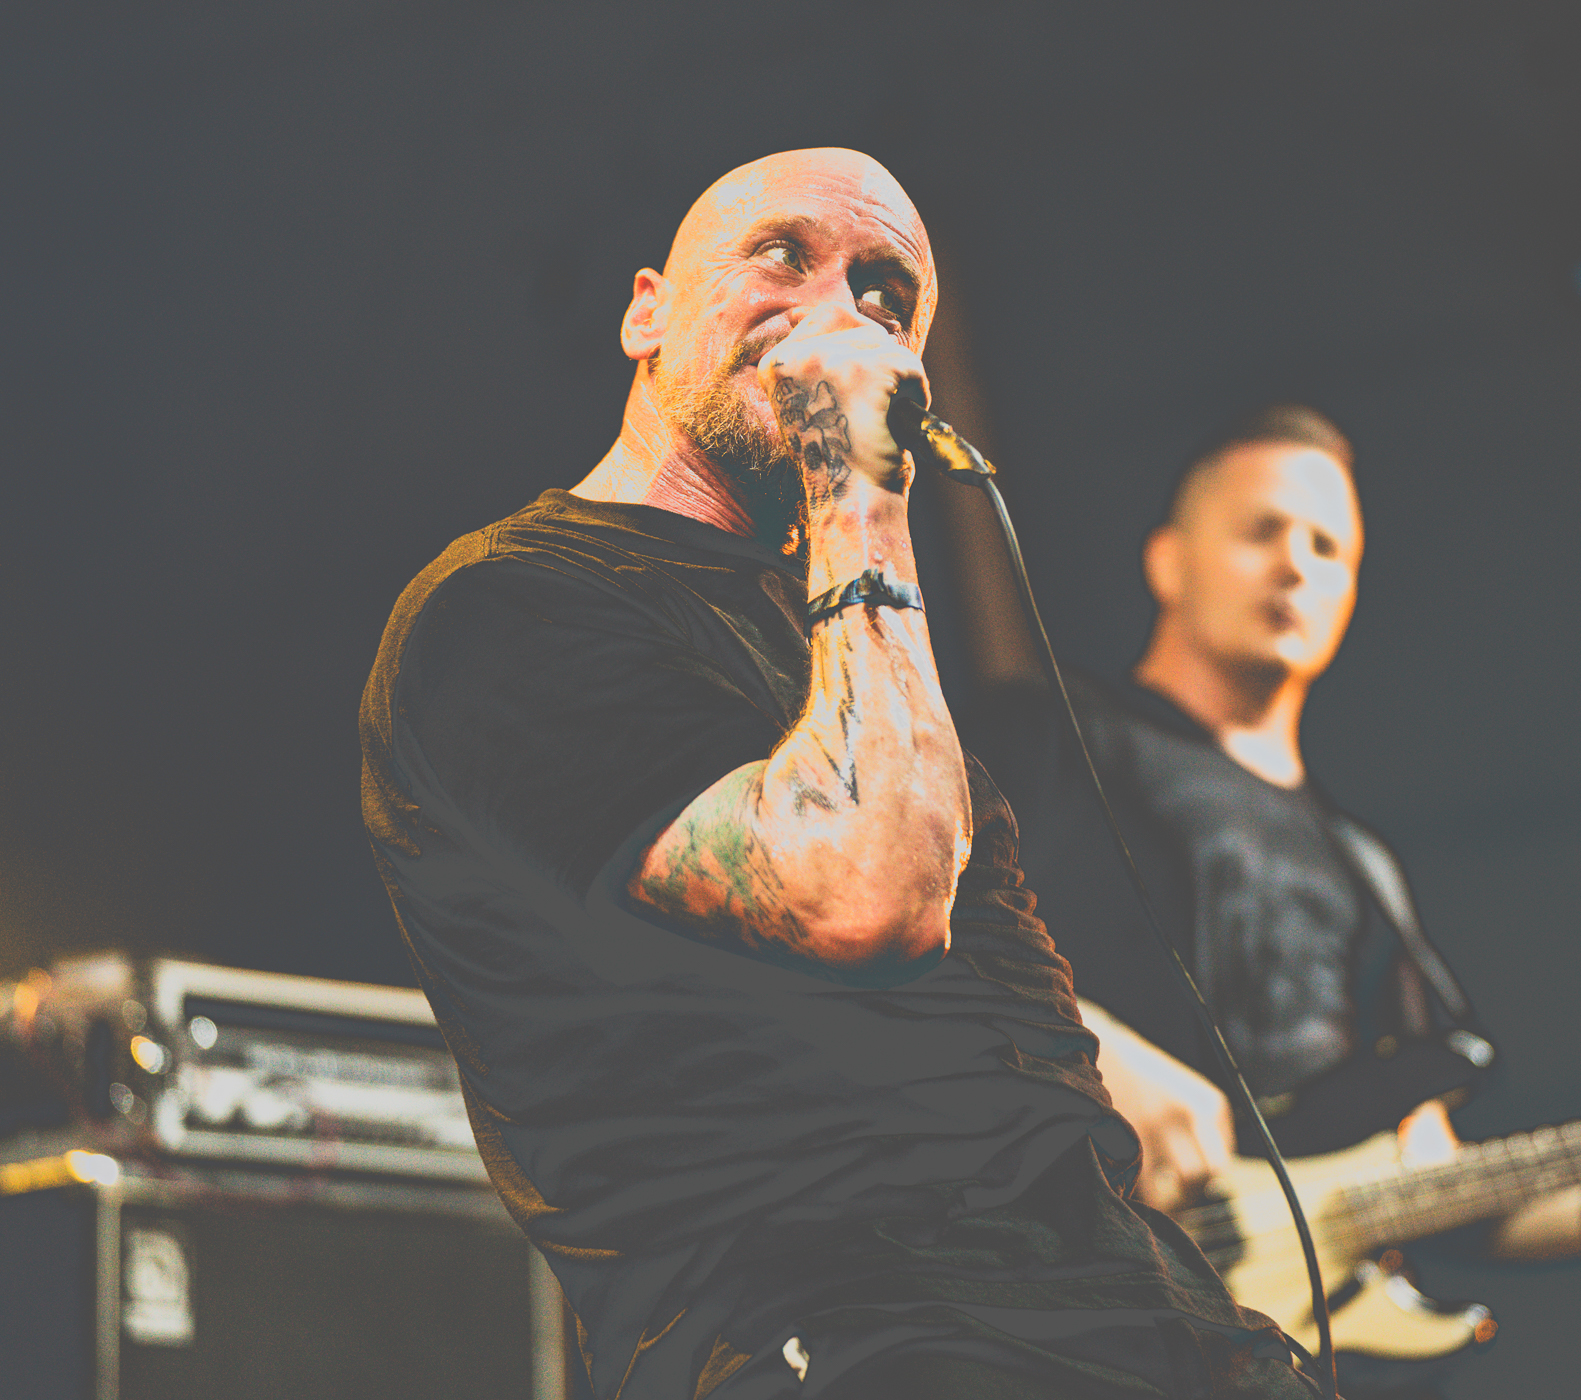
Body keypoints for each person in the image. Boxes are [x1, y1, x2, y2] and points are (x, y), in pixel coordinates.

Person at [359, 150, 1326, 1399]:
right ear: (648, 312)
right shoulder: (504, 612)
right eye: (782, 254)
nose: (838, 311)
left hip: (1135, 1315)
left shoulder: (846, 652)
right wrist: (857, 489)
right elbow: (863, 892)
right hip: (856, 1335)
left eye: (885, 295)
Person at [964, 405, 1581, 1398]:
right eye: (1262, 531)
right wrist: (1085, 1044)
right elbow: (884, 926)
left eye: (1328, 547)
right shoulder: (1041, 731)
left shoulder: (1359, 864)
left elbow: (1428, 1176)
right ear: (1168, 560)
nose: (1296, 564)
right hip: (1017, 1305)